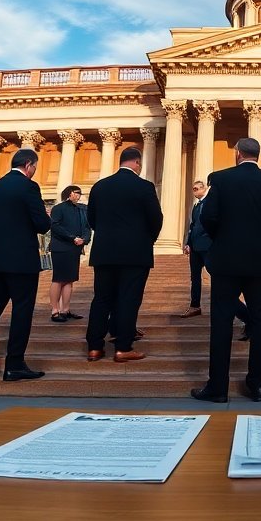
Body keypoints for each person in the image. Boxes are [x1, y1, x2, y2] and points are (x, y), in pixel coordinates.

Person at [191, 138, 261, 403]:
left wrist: (223, 239)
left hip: (227, 261)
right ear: (258, 156)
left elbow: (208, 217)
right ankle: (257, 386)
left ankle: (218, 388)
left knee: (221, 323)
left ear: (237, 154)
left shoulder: (221, 179)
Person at [0, 148, 51, 382]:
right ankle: (14, 364)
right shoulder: (28, 187)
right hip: (21, 259)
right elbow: (42, 225)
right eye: (35, 167)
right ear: (28, 165)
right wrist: (46, 216)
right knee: (22, 310)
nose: (34, 171)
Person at [86, 147, 162, 363]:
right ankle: (123, 347)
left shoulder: (100, 186)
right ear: (137, 163)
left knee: (101, 299)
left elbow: (91, 218)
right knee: (129, 299)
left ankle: (94, 347)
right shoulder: (144, 186)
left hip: (104, 252)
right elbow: (156, 218)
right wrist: (148, 239)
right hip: (135, 253)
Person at [48, 185, 91, 323]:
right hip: (61, 247)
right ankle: (55, 310)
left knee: (69, 279)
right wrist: (72, 237)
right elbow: (55, 226)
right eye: (76, 193)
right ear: (69, 193)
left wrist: (84, 239)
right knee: (58, 279)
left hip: (75, 248)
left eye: (79, 193)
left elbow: (87, 226)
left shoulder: (82, 209)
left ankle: (65, 310)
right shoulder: (58, 208)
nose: (78, 195)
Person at [180, 180, 211, 318]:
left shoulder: (210, 203)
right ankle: (194, 306)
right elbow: (193, 226)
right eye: (193, 189)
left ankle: (220, 305)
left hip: (208, 246)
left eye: (196, 189)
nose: (194, 191)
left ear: (204, 189)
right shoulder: (196, 206)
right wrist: (188, 243)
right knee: (195, 278)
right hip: (195, 248)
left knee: (215, 276)